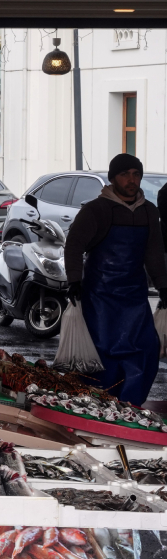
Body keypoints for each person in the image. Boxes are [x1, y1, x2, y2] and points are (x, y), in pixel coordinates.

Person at [64, 153, 167, 405]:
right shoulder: (96, 210)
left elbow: (154, 252)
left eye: (136, 174)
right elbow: (74, 245)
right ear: (112, 179)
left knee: (145, 349)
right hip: (99, 296)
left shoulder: (149, 212)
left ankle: (129, 405)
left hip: (134, 295)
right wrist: (74, 281)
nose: (131, 180)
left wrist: (163, 287)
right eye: (125, 174)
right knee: (103, 354)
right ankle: (95, 404)